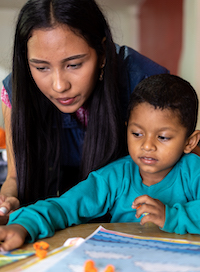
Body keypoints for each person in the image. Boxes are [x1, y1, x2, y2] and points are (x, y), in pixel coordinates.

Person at [0, 0, 169, 215]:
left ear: (102, 54)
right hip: (56, 221)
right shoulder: (17, 91)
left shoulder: (147, 85)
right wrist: (7, 200)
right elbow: (15, 177)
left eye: (74, 64)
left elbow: (174, 178)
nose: (60, 85)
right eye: (41, 67)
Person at [0, 73, 200, 251]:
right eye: (137, 133)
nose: (147, 145)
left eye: (163, 137)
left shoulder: (193, 172)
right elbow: (65, 206)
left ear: (190, 142)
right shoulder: (116, 177)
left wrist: (170, 217)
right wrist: (24, 225)